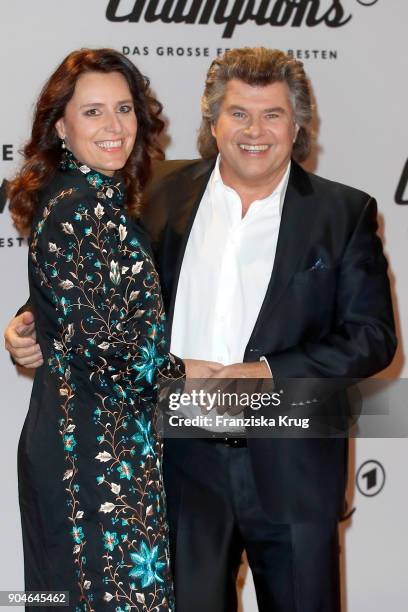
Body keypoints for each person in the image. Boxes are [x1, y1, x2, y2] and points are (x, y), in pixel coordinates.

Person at [5, 48, 396, 612]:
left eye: (273, 114)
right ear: (213, 122)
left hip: (292, 467)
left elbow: (372, 337)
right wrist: (28, 322)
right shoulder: (154, 192)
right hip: (176, 465)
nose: (255, 131)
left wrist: (265, 373)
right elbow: (97, 276)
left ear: (298, 124)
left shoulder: (344, 212)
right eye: (238, 113)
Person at [5, 48, 217, 611]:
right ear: (60, 125)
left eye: (123, 109)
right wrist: (191, 372)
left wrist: (29, 323)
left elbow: (76, 308)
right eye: (93, 111)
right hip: (96, 459)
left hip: (95, 445)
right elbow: (114, 352)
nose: (114, 126)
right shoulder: (84, 206)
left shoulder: (84, 198)